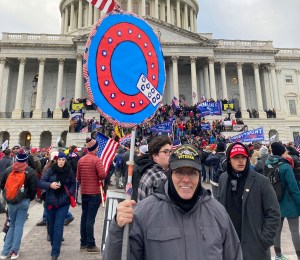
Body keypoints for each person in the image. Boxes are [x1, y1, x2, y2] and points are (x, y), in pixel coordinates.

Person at [103, 144, 242, 260]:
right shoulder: (144, 212)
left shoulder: (217, 212)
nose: (186, 179)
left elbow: (234, 255)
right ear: (170, 174)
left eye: (192, 172)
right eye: (180, 172)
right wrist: (118, 229)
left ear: (199, 176)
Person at [218, 142, 281, 260]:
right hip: (229, 245)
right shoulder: (223, 178)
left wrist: (264, 240)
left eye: (243, 157)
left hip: (254, 248)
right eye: (236, 157)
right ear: (229, 160)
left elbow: (273, 213)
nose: (240, 161)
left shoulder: (262, 181)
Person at [0, 149, 38, 259]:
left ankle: (5, 251)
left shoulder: (9, 170)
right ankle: (14, 251)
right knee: (19, 225)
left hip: (11, 201)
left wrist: (8, 195)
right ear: (26, 160)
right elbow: (34, 188)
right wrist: (29, 198)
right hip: (24, 201)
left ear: (16, 159)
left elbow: (2, 184)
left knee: (12, 224)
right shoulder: (30, 171)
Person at [39, 152, 75, 260]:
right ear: (56, 160)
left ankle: (55, 252)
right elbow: (41, 182)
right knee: (51, 226)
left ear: (65, 161)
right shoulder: (50, 170)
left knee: (58, 226)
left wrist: (70, 193)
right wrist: (50, 185)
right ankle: (54, 244)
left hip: (63, 202)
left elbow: (73, 183)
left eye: (63, 160)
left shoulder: (69, 171)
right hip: (50, 202)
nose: (61, 162)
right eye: (59, 160)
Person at [267, 142, 300, 260]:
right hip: (289, 202)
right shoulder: (285, 166)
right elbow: (294, 188)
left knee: (277, 229)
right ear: (282, 152)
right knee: (295, 230)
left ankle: (278, 255)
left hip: (274, 201)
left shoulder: (267, 163)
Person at [76, 138, 106, 253]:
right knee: (90, 219)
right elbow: (102, 175)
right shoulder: (97, 160)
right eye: (97, 147)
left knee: (84, 217)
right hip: (94, 192)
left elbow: (78, 177)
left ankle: (83, 243)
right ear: (95, 148)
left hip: (84, 192)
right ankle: (90, 244)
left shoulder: (81, 160)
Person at [137, 135, 172, 201]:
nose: (170, 154)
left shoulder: (149, 170)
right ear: (155, 156)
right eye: (166, 152)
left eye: (170, 151)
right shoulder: (160, 177)